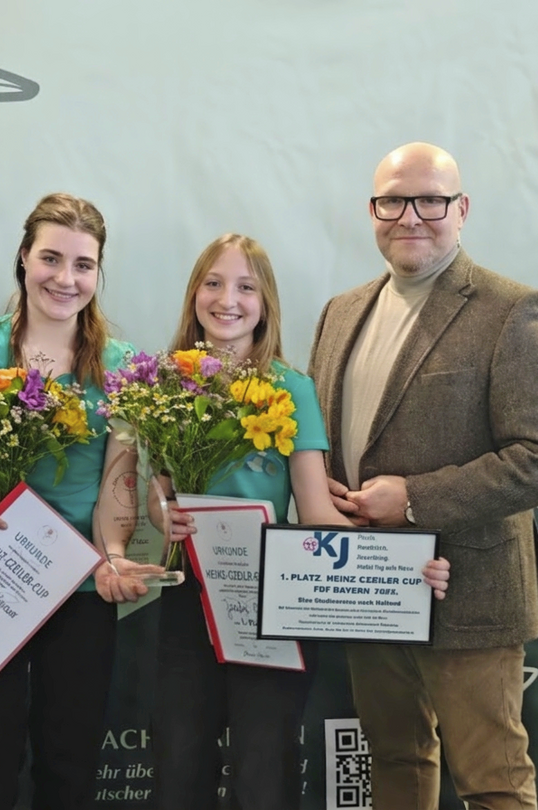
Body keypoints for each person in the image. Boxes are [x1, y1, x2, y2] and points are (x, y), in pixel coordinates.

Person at [307, 142, 538, 809]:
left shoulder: (513, 309)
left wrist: (415, 500)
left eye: (430, 200)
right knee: (397, 760)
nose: (411, 216)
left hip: (473, 594)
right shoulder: (341, 312)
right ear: (373, 210)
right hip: (372, 588)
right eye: (392, 200)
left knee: (493, 782)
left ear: (461, 210)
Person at [151, 234, 450, 810]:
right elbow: (157, 495)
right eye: (213, 283)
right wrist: (165, 517)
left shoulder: (291, 387)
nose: (227, 299)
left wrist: (408, 564)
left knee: (265, 764)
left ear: (266, 304)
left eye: (245, 286)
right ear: (194, 295)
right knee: (178, 757)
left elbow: (316, 512)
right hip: (188, 597)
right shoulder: (165, 383)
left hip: (275, 599)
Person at [0, 192, 151, 810]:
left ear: (97, 273)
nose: (65, 278)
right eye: (51, 258)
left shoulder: (121, 366)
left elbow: (119, 478)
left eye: (83, 265)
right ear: (24, 258)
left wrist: (111, 553)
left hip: (80, 586)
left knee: (69, 757)